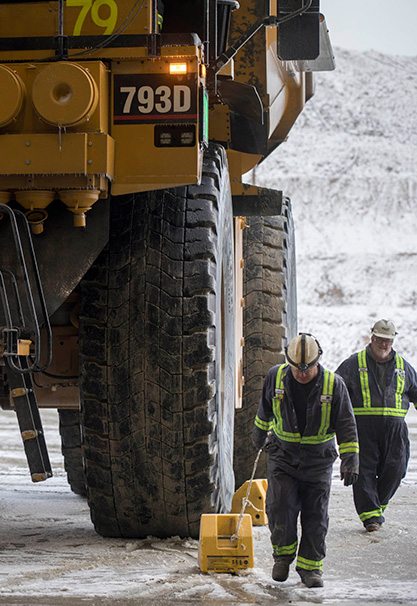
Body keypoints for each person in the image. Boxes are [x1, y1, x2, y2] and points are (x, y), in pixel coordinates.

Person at [253, 333, 359, 588]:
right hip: (283, 457)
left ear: (317, 361)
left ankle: (310, 568)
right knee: (279, 508)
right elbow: (264, 411)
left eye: (307, 368)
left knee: (316, 514)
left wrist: (351, 459)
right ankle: (283, 557)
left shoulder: (335, 385)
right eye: (297, 368)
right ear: (288, 361)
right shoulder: (275, 377)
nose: (302, 373)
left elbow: (347, 425)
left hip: (318, 461)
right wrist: (259, 439)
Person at [336, 319, 417, 532]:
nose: (384, 345)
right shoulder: (353, 364)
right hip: (362, 429)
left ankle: (376, 507)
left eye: (388, 341)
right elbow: (336, 392)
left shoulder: (404, 367)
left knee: (396, 469)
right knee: (363, 471)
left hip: (395, 430)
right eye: (380, 340)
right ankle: (371, 518)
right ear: (372, 338)